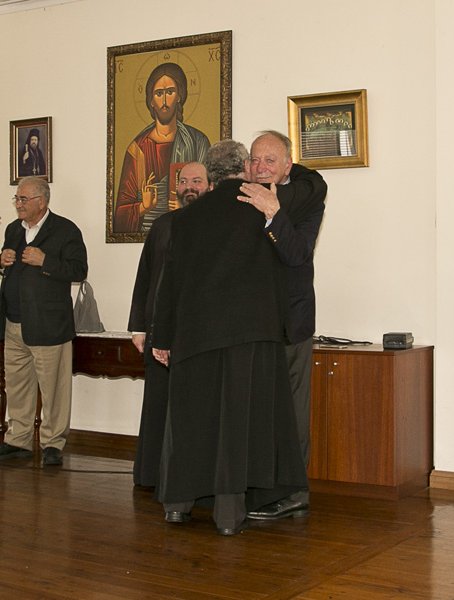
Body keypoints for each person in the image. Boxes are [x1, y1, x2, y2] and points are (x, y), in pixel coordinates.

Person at [152, 141, 309, 535]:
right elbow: (291, 263)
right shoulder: (261, 209)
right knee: (237, 425)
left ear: (210, 171)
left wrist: (163, 336)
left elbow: (169, 283)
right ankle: (227, 516)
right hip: (250, 334)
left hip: (194, 334)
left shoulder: (185, 218)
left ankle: (177, 505)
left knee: (193, 423)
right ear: (244, 167)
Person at [238, 130, 327, 521]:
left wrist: (273, 214)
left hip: (290, 322)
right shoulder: (239, 197)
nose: (260, 168)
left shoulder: (306, 198)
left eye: (269, 161)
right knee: (254, 411)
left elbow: (297, 255)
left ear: (288, 165)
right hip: (248, 324)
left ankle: (293, 493)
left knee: (291, 415)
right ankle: (253, 488)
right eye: (255, 160)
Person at [0, 178, 88, 467]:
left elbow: (79, 270)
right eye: (16, 199)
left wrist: (46, 260)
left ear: (42, 201)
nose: (18, 204)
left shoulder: (65, 230)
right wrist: (1, 261)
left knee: (53, 388)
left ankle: (53, 444)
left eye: (24, 199)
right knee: (17, 385)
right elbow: (8, 267)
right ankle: (18, 441)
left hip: (48, 324)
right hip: (13, 321)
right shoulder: (12, 230)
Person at [127, 161, 210, 487]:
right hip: (158, 331)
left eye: (197, 181)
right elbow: (145, 278)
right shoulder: (162, 226)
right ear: (176, 188)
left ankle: (190, 480)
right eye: (184, 181)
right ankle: (151, 476)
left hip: (198, 336)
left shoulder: (217, 225)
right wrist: (139, 328)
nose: (190, 186)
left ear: (210, 185)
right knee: (158, 406)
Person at [114, 62, 211, 233]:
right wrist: (143, 207)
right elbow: (120, 214)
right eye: (159, 94)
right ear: (151, 100)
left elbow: (213, 197)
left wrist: (186, 206)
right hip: (154, 234)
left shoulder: (198, 141)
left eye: (170, 92)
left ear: (179, 96)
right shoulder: (138, 149)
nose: (164, 101)